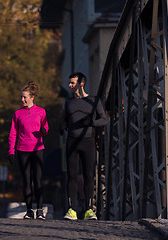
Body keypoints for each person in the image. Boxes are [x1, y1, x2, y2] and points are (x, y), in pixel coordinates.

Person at [60, 72, 107, 220]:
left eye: (72, 83)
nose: (69, 85)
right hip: (72, 142)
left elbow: (104, 120)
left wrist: (91, 123)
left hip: (88, 142)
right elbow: (63, 121)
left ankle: (89, 210)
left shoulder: (94, 100)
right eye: (69, 83)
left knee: (88, 176)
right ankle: (71, 210)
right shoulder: (69, 102)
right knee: (72, 176)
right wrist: (61, 127)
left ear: (81, 83)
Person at [8, 81, 49, 220]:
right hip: (22, 150)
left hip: (38, 149)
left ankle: (40, 210)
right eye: (21, 97)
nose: (22, 100)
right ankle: (29, 210)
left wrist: (43, 131)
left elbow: (46, 127)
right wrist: (11, 151)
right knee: (26, 181)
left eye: (25, 97)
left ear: (32, 97)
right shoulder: (17, 114)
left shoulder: (41, 111)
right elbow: (13, 133)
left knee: (37, 181)